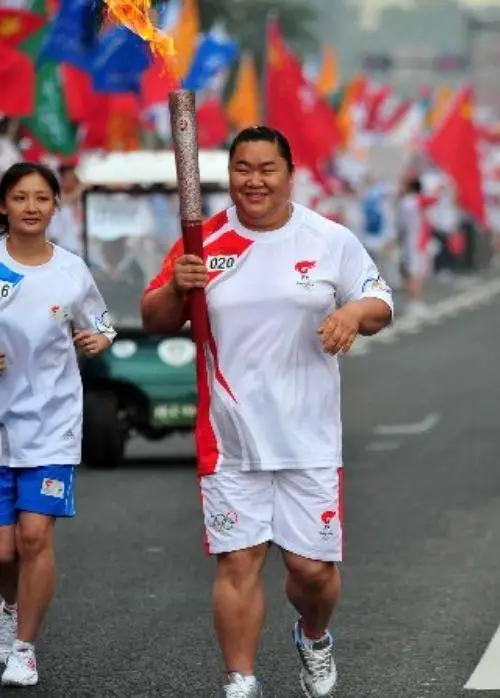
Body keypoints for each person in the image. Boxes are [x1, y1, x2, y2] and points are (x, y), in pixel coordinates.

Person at [141, 126, 393, 698]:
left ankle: (314, 634)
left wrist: (352, 315)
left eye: (266, 169)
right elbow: (156, 318)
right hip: (229, 437)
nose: (254, 180)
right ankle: (241, 680)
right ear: (228, 174)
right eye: (242, 169)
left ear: (288, 173)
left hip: (307, 438)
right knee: (238, 564)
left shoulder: (328, 239)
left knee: (312, 574)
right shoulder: (200, 240)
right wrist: (176, 289)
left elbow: (381, 302)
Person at [0, 162, 116, 687]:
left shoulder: (70, 271)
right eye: (20, 198)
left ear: (54, 206)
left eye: (41, 198)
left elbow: (102, 320)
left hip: (51, 424)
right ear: (3, 205)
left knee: (32, 538)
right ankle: (7, 612)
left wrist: (99, 339)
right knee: (2, 549)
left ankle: (24, 648)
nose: (30, 207)